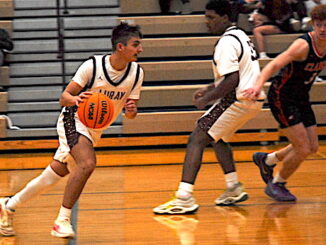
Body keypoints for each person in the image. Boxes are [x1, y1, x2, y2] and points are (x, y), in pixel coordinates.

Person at [0, 22, 144, 238]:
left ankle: (8, 205)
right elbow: (64, 98)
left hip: (95, 129)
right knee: (87, 164)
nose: (140, 49)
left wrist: (131, 110)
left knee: (53, 174)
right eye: (136, 44)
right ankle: (62, 220)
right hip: (73, 119)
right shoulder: (93, 66)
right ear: (121, 47)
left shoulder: (136, 73)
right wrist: (76, 99)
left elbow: (130, 114)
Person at [153, 0, 265, 214]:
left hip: (238, 99)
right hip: (253, 99)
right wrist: (209, 88)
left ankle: (184, 197)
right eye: (206, 17)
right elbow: (237, 73)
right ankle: (233, 186)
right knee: (219, 137)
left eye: (211, 17)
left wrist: (207, 99)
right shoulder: (240, 35)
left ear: (224, 18)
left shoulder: (225, 42)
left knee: (198, 136)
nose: (207, 22)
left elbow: (232, 79)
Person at [242, 4, 326, 202]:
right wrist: (257, 86)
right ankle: (278, 183)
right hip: (282, 96)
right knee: (302, 148)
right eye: (319, 24)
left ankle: (267, 160)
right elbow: (274, 64)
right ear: (313, 24)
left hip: (301, 97)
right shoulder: (303, 45)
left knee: (312, 147)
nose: (323, 29)